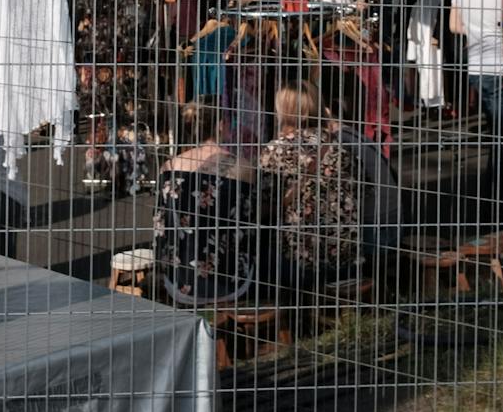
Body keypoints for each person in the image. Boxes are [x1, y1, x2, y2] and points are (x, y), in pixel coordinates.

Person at [259, 79, 364, 290]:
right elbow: (362, 190)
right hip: (344, 259)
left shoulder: (275, 151)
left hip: (296, 262)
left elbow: (263, 203)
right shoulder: (339, 146)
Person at [154, 101, 259, 304]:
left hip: (179, 279)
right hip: (231, 278)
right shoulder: (244, 168)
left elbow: (160, 221)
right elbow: (251, 218)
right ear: (221, 125)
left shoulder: (169, 166)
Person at [449, 0, 503, 181]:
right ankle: (500, 187)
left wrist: (475, 32)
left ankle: (496, 185)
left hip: (476, 64)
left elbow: (454, 25)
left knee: (495, 129)